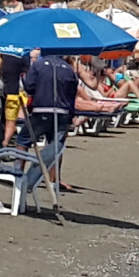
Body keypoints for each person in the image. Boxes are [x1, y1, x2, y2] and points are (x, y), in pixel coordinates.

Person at [23, 48, 80, 190]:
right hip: (63, 112)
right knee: (56, 146)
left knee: (23, 140)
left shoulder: (38, 65)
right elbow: (72, 94)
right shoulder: (69, 69)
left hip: (41, 109)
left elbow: (29, 88)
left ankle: (18, 171)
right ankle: (55, 179)